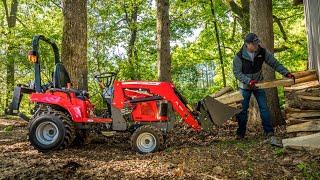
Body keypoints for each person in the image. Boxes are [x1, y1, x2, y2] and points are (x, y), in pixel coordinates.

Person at [232, 33, 295, 139]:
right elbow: (237, 73)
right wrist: (248, 81)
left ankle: (269, 132)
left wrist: (286, 73)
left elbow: (274, 63)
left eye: (257, 43)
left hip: (259, 85)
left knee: (264, 108)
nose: (257, 46)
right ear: (247, 44)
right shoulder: (239, 56)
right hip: (245, 87)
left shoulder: (262, 52)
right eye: (254, 44)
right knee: (242, 110)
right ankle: (240, 133)